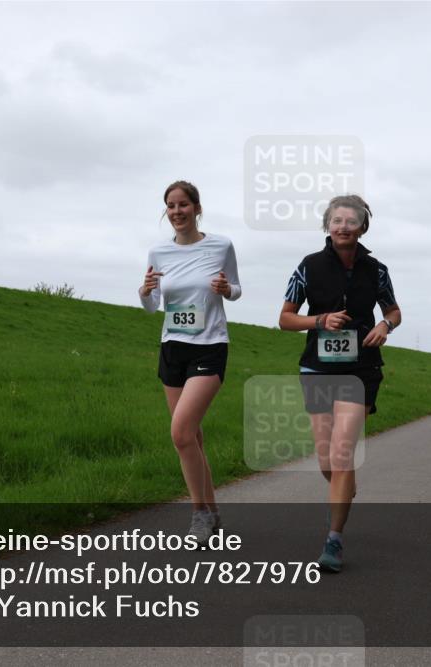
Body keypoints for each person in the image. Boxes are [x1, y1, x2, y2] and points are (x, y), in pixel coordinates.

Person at [279, 194, 401, 573]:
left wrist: (385, 325)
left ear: (363, 226)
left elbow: (393, 310)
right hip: (317, 368)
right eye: (337, 220)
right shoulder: (308, 266)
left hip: (361, 368)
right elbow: (285, 318)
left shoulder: (377, 269)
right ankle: (343, 488)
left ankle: (333, 540)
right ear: (327, 227)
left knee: (343, 452)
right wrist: (319, 320)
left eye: (352, 220)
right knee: (328, 462)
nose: (344, 226)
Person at [139, 180, 241, 545]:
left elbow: (236, 289)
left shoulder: (221, 245)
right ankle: (212, 511)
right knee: (193, 437)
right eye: (170, 206)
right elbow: (153, 306)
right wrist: (144, 291)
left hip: (209, 345)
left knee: (181, 432)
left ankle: (198, 514)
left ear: (197, 208)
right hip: (172, 348)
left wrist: (227, 290)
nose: (177, 211)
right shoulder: (158, 252)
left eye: (183, 204)